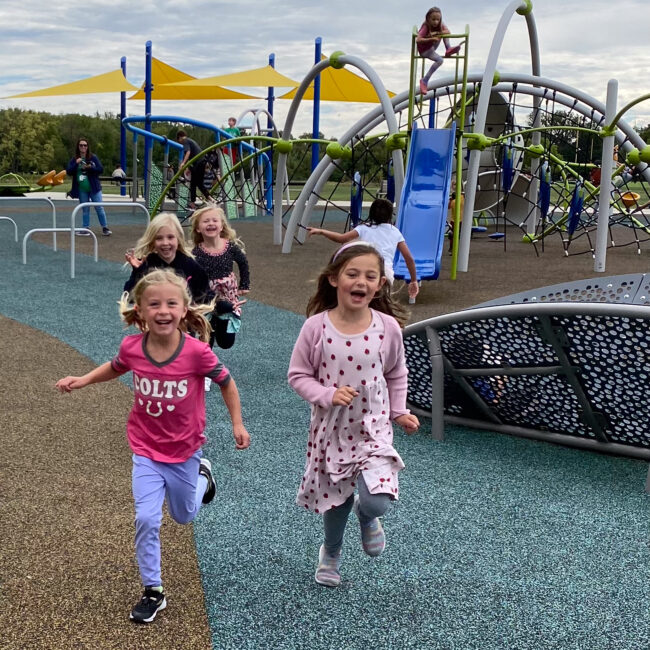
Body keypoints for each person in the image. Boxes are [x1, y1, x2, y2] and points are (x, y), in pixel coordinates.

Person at [56, 268, 250, 623]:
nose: (163, 310)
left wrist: (237, 423)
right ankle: (153, 591)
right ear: (141, 311)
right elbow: (116, 368)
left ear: (183, 308)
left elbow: (226, 383)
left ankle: (204, 478)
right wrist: (82, 380)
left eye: (171, 303)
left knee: (184, 515)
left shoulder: (196, 353)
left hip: (185, 451)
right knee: (146, 518)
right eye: (154, 304)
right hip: (145, 449)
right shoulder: (132, 347)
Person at [287, 242, 420, 587]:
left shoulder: (387, 327)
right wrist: (328, 394)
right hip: (331, 429)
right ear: (334, 279)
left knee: (377, 500)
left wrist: (399, 411)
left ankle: (367, 516)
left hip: (372, 427)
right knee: (335, 497)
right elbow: (298, 375)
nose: (361, 281)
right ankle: (330, 552)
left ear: (379, 285)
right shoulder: (316, 327)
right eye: (352, 274)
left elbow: (396, 372)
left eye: (370, 276)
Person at [308, 198, 419, 302]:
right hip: (385, 274)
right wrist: (413, 280)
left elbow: (341, 238)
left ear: (371, 213)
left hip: (365, 271)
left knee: (362, 302)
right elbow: (409, 258)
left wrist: (322, 231)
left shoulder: (363, 228)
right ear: (390, 215)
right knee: (383, 306)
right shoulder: (395, 232)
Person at [190, 206, 250, 370]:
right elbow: (190, 272)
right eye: (206, 221)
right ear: (198, 228)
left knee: (225, 342)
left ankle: (219, 324)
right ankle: (206, 369)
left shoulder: (229, 247)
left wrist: (245, 284)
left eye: (214, 220)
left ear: (222, 226)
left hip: (227, 293)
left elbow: (243, 263)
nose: (211, 224)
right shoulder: (197, 251)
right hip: (206, 295)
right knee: (206, 333)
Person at [124, 212, 211, 304]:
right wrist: (137, 272)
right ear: (152, 241)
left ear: (178, 239)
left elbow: (206, 294)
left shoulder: (190, 265)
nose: (165, 243)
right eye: (159, 238)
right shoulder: (147, 264)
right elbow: (129, 297)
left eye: (170, 237)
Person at [66, 138, 112, 236]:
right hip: (82, 188)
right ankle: (85, 228)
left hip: (94, 188)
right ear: (78, 147)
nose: (83, 147)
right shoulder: (74, 159)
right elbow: (69, 171)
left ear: (88, 147)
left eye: (85, 145)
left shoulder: (93, 157)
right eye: (81, 145)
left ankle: (105, 228)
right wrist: (76, 163)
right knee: (85, 209)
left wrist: (90, 168)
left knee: (99, 207)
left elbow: (100, 169)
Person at [416, 7, 460, 95]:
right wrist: (430, 38)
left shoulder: (440, 24)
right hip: (425, 50)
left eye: (438, 19)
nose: (436, 22)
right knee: (440, 60)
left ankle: (448, 48)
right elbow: (418, 39)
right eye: (433, 19)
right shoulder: (426, 26)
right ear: (428, 18)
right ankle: (425, 80)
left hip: (432, 45)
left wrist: (437, 33)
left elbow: (448, 32)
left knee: (444, 33)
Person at [176, 130, 210, 210]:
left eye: (179, 141)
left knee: (198, 183)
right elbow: (192, 155)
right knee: (194, 183)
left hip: (199, 163)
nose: (180, 143)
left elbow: (188, 152)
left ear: (180, 137)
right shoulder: (191, 141)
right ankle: (193, 203)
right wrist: (188, 168)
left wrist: (183, 163)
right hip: (199, 163)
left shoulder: (185, 141)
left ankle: (210, 199)